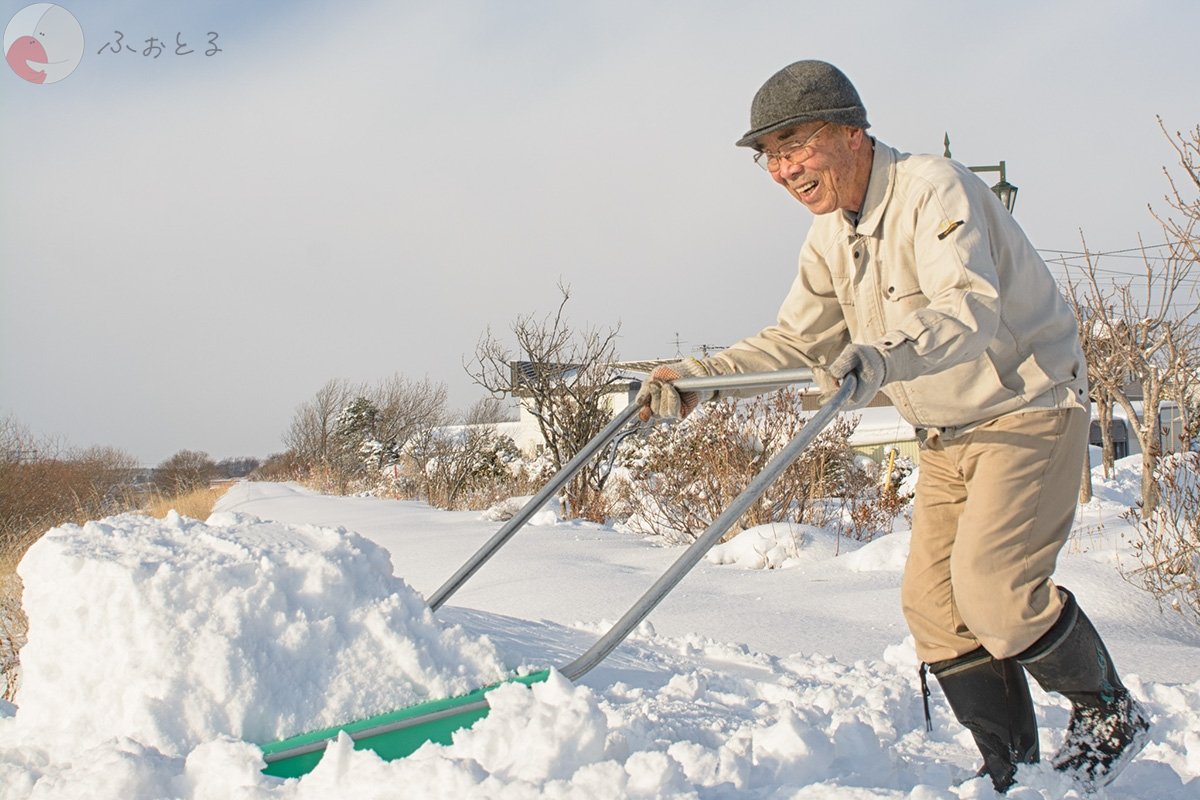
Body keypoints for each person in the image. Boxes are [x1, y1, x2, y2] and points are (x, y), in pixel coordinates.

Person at [635, 60, 1149, 793]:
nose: (783, 170)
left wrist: (878, 359)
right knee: (935, 610)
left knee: (996, 595)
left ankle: (1108, 712)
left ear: (851, 132)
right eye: (769, 156)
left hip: (1023, 410)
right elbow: (796, 342)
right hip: (943, 434)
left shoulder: (933, 189)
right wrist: (694, 381)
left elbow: (967, 308)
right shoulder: (829, 237)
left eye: (795, 145)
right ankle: (1014, 768)